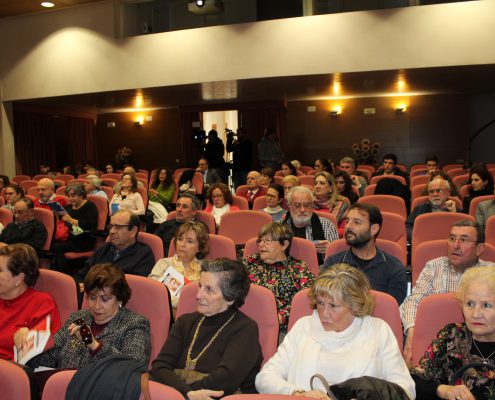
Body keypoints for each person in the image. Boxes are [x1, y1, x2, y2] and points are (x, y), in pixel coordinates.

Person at [255, 263, 415, 399]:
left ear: (356, 306)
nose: (324, 313)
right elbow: (264, 378)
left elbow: (406, 389)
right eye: (320, 303)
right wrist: (298, 393)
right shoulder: (304, 326)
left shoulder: (378, 330)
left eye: (333, 306)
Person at [150, 258, 263, 398]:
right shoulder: (185, 322)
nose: (198, 295)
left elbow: (225, 379)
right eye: (200, 286)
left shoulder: (245, 329)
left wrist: (182, 392)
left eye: (209, 290)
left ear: (230, 298)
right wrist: (188, 393)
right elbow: (159, 367)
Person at [401, 220, 494, 366]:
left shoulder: (490, 272)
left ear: (479, 248)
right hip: (436, 346)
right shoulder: (434, 267)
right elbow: (413, 301)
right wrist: (412, 332)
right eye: (452, 238)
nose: (455, 245)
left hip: (481, 346)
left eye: (463, 240)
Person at [28, 263, 151, 373]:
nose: (97, 306)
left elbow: (135, 367)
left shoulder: (134, 323)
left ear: (119, 298)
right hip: (63, 386)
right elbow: (50, 358)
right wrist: (32, 347)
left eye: (105, 299)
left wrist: (94, 345)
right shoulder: (79, 317)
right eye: (92, 297)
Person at [411, 266, 495, 399]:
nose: (476, 314)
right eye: (470, 304)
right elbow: (415, 379)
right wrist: (443, 389)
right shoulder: (452, 335)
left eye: (487, 305)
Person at [321, 203, 407, 305]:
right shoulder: (333, 262)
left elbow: (391, 309)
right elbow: (323, 300)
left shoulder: (394, 268)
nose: (348, 226)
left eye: (356, 222)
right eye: (347, 221)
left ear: (374, 229)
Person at [243, 222, 315, 328]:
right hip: (244, 320)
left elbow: (308, 298)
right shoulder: (250, 261)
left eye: (267, 241)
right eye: (260, 241)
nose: (261, 244)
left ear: (284, 245)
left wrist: (281, 317)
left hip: (279, 327)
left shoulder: (299, 268)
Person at [0, 243, 61, 361]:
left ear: (19, 278)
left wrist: (29, 338)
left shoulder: (42, 303)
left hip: (14, 371)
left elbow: (45, 355)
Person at [74, 210, 155, 286]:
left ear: (133, 231)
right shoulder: (104, 249)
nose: (112, 231)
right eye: (111, 226)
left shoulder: (143, 254)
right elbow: (80, 276)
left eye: (118, 227)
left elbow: (137, 288)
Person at [149, 221, 209, 308]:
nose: (182, 244)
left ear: (199, 247)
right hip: (162, 310)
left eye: (189, 241)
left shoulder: (206, 270)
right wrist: (182, 302)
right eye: (180, 239)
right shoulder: (163, 264)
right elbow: (152, 291)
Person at [283, 186, 339, 264]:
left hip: (319, 271)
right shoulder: (279, 227)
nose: (302, 210)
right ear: (289, 206)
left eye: (306, 205)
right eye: (297, 205)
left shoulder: (327, 225)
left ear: (312, 205)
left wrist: (330, 251)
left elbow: (338, 260)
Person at [52, 184, 98, 274]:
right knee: (52, 244)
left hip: (83, 238)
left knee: (57, 247)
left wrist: (70, 220)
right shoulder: (68, 207)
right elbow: (64, 224)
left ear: (81, 195)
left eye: (73, 196)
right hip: (69, 236)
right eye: (68, 196)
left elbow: (88, 225)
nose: (70, 199)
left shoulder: (90, 206)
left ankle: (61, 274)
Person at [313, 171, 350, 236]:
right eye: (316, 183)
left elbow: (344, 230)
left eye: (322, 183)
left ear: (331, 188)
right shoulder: (308, 203)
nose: (317, 186)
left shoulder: (341, 205)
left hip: (333, 241)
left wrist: (324, 233)